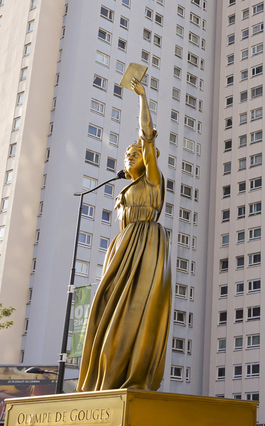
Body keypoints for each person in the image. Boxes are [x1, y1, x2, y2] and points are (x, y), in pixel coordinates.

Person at [77, 79, 171, 391]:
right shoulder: (125, 188)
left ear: (148, 157)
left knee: (134, 314)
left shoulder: (153, 180)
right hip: (122, 246)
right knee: (105, 311)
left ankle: (130, 375)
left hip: (145, 245)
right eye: (127, 155)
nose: (130, 157)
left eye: (136, 153)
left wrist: (142, 97)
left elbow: (146, 135)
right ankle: (103, 379)